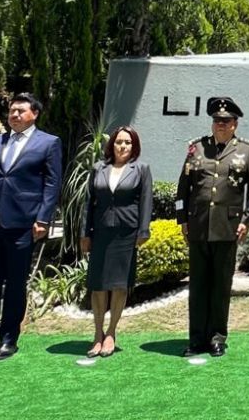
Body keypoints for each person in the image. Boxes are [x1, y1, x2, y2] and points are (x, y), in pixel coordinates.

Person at [0, 93, 63, 361]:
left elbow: (52, 185)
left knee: (16, 285)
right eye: (12, 111)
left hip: (23, 224)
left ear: (34, 114)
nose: (14, 115)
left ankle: (8, 340)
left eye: (20, 111)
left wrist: (43, 219)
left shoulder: (49, 143)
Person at [175, 96, 249, 357]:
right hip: (199, 226)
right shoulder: (196, 148)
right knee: (198, 286)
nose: (220, 125)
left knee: (221, 286)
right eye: (216, 121)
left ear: (235, 124)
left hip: (228, 227)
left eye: (225, 121)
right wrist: (183, 220)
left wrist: (247, 221)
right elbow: (183, 188)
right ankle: (196, 339)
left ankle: (217, 337)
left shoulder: (246, 150)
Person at [81, 125, 153, 358]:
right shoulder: (98, 168)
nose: (123, 146)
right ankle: (97, 334)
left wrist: (143, 231)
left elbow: (146, 201)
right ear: (111, 144)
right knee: (98, 284)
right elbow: (88, 203)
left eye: (128, 142)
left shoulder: (141, 169)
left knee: (120, 284)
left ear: (134, 146)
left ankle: (111, 332)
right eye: (119, 142)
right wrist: (84, 233)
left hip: (126, 233)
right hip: (101, 232)